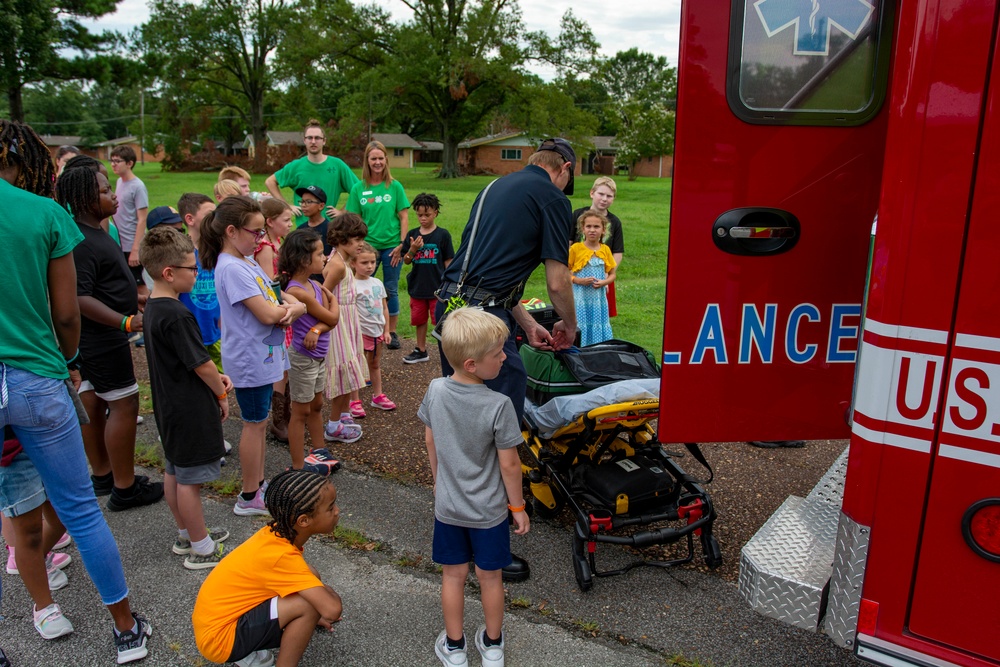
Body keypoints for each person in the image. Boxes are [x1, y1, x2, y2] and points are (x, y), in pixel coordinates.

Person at [0, 119, 152, 663]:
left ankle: (40, 612)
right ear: (20, 158)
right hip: (37, 376)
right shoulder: (45, 214)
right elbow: (66, 313)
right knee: (81, 509)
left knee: (16, 509)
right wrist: (67, 362)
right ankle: (126, 630)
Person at [435, 137, 578, 582]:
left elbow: (483, 268)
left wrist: (525, 322)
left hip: (455, 312)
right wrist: (567, 326)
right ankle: (487, 544)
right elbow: (557, 281)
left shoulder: (495, 187)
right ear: (565, 169)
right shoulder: (553, 198)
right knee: (497, 431)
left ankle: (460, 518)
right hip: (484, 321)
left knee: (463, 425)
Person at [418, 307, 529, 667]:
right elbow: (510, 464)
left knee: (452, 575)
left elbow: (430, 440)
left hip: (449, 507)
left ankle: (454, 648)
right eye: (497, 353)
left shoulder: (435, 389)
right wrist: (518, 507)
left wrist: (438, 481)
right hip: (489, 511)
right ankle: (493, 646)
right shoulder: (499, 406)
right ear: (471, 364)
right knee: (490, 577)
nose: (503, 357)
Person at [55, 166, 165, 511]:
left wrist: (134, 295)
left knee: (94, 400)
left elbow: (105, 282)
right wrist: (126, 321)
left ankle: (103, 475)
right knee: (124, 404)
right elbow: (80, 296)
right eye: (105, 191)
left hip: (93, 340)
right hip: (102, 339)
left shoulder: (93, 231)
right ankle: (125, 487)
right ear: (86, 199)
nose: (114, 195)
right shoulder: (82, 241)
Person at [198, 196, 307, 517]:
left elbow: (275, 295)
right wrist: (291, 309)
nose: (261, 239)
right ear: (231, 231)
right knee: (254, 424)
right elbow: (268, 313)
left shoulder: (243, 261)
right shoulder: (231, 267)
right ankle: (248, 495)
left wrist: (290, 308)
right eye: (255, 232)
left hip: (260, 355)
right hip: (250, 358)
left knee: (257, 423)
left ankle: (256, 485)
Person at [139, 227, 234, 570]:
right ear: (169, 273)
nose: (196, 274)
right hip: (190, 408)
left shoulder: (154, 307)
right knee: (190, 483)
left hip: (169, 407)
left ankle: (187, 534)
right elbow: (203, 365)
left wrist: (214, 376)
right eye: (191, 269)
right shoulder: (178, 315)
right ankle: (202, 547)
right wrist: (221, 391)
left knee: (175, 473)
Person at [192, 469, 343, 667]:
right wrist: (326, 598)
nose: (337, 511)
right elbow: (332, 610)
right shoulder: (281, 557)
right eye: (330, 508)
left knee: (310, 578)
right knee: (308, 604)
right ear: (303, 521)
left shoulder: (273, 534)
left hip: (216, 623)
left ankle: (259, 640)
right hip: (220, 640)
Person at [277, 229, 342, 475]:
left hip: (318, 356)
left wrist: (315, 329)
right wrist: (331, 306)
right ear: (304, 260)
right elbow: (333, 317)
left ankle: (318, 451)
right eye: (319, 253)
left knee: (316, 404)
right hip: (303, 358)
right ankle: (297, 465)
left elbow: (326, 321)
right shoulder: (298, 291)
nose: (324, 257)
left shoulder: (314, 284)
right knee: (300, 410)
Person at [1, 432, 74, 640]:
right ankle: (44, 607)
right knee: (29, 531)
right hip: (10, 451)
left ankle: (35, 560)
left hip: (46, 439)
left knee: (64, 518)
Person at [345, 140, 410, 350]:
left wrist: (402, 244)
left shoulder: (395, 186)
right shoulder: (358, 188)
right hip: (367, 247)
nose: (377, 162)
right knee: (361, 287)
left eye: (381, 158)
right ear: (367, 160)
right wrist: (358, 246)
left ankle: (390, 331)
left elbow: (403, 217)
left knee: (390, 288)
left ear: (386, 160)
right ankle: (361, 328)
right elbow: (354, 220)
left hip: (392, 246)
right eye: (373, 158)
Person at [321, 214, 368, 443]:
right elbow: (323, 295)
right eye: (356, 238)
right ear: (341, 238)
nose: (360, 243)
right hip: (338, 322)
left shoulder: (342, 260)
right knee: (342, 374)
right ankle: (333, 425)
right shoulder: (338, 265)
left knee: (349, 370)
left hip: (347, 320)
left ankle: (342, 415)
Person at [265, 119, 359, 224]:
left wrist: (343, 211)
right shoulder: (296, 166)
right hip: (304, 230)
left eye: (317, 138)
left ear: (324, 141)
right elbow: (270, 182)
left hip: (330, 228)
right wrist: (286, 206)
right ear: (304, 141)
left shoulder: (337, 165)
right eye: (309, 138)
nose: (313, 141)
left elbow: (358, 190)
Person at [257, 198, 296, 443]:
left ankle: (287, 414)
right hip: (275, 309)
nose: (290, 224)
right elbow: (267, 282)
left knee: (285, 364)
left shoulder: (277, 242)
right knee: (279, 367)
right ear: (270, 222)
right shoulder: (265, 247)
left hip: (283, 306)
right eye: (286, 220)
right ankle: (279, 420)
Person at [401, 193, 454, 364]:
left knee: (442, 322)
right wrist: (413, 249)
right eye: (419, 215)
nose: (423, 218)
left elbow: (448, 260)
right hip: (417, 286)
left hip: (438, 288)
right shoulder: (413, 234)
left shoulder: (443, 235)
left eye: (427, 214)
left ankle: (449, 353)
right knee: (419, 320)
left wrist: (451, 282)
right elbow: (406, 260)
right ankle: (421, 349)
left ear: (436, 213)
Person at [177, 193, 223, 370]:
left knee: (221, 384)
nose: (215, 219)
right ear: (190, 219)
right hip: (189, 335)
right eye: (210, 214)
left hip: (216, 333)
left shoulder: (216, 251)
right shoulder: (180, 254)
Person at [109, 146, 149, 339]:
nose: (113, 165)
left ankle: (150, 323)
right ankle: (133, 323)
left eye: (118, 161)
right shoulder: (118, 182)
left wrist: (135, 249)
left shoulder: (137, 186)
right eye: (112, 160)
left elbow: (142, 219)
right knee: (126, 284)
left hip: (132, 244)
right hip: (120, 242)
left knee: (139, 285)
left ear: (130, 163)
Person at [352, 242, 396, 412]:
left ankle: (378, 396)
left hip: (377, 332)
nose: (370, 266)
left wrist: (387, 330)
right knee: (356, 366)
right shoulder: (352, 285)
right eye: (364, 263)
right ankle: (354, 401)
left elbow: (384, 307)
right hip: (360, 333)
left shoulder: (377, 282)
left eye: (372, 262)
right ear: (353, 263)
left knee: (375, 364)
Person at [572, 177, 623, 317]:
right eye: (601, 194)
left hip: (603, 273)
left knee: (601, 313)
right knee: (576, 312)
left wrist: (607, 274)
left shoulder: (615, 222)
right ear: (592, 193)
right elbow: (569, 243)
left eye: (609, 196)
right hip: (577, 273)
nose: (604, 199)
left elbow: (617, 252)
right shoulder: (577, 215)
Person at [569, 210, 616, 346]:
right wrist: (578, 280)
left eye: (596, 227)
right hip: (580, 297)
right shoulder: (576, 249)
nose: (592, 230)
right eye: (588, 226)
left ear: (603, 230)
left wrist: (604, 282)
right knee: (581, 322)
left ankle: (599, 348)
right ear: (582, 229)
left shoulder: (605, 250)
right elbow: (564, 271)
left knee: (597, 322)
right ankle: (580, 348)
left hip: (598, 298)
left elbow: (612, 274)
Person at [294, 185, 333, 256]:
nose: (303, 205)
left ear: (321, 206)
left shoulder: (331, 229)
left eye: (308, 202)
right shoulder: (300, 230)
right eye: (302, 201)